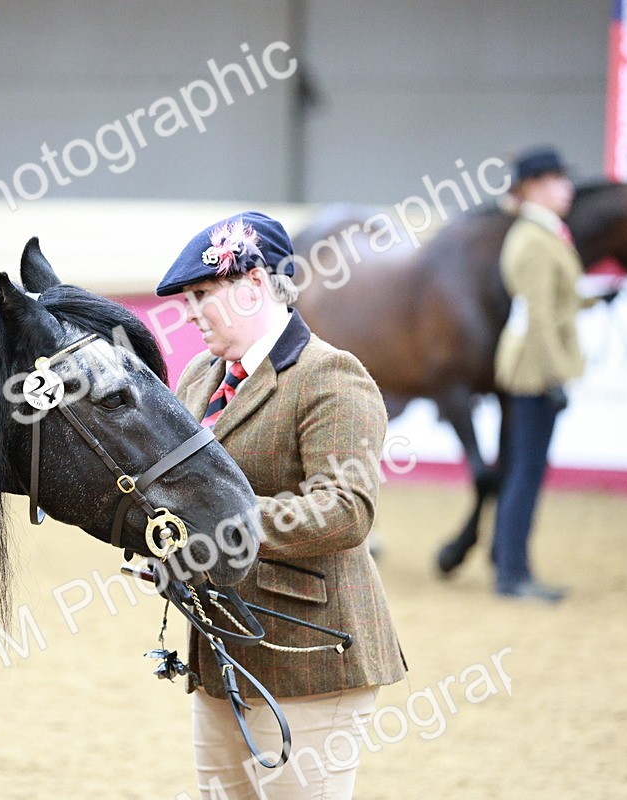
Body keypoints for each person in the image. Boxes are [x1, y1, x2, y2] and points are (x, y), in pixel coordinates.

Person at [155, 211, 406, 799]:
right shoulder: (197, 376)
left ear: (254, 285)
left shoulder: (331, 375)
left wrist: (219, 527)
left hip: (312, 655)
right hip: (220, 651)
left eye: (202, 295)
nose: (189, 313)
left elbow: (345, 508)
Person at [492, 146, 599, 603]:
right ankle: (513, 573)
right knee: (527, 470)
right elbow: (538, 315)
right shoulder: (535, 239)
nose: (568, 189)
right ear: (534, 186)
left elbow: (555, 298)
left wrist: (596, 298)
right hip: (534, 370)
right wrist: (557, 375)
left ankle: (510, 564)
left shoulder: (544, 232)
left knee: (524, 467)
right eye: (558, 180)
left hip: (536, 366)